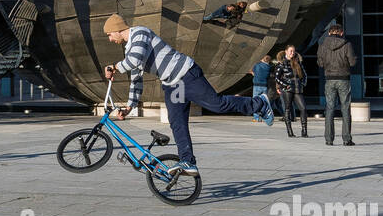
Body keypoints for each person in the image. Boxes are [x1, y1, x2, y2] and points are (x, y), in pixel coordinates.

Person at [102, 13, 272, 178]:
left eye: (109, 35)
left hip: (186, 75)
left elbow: (135, 60)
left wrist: (114, 67)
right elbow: (136, 80)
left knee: (217, 105)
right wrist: (129, 107)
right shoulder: (130, 48)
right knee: (177, 122)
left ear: (117, 29)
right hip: (173, 85)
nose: (110, 39)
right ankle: (187, 161)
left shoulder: (140, 33)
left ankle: (260, 104)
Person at [317, 22, 357, 146]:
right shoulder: (347, 44)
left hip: (329, 79)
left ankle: (329, 139)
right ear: (341, 33)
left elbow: (320, 63)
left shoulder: (322, 45)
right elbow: (352, 62)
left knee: (329, 108)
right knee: (345, 108)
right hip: (343, 79)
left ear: (329, 33)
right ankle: (346, 139)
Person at [274, 44, 308, 138]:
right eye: (290, 51)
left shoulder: (298, 62)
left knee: (303, 108)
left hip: (297, 88)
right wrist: (285, 85)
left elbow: (304, 74)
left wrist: (303, 83)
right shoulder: (281, 63)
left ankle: (304, 130)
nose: (292, 53)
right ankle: (290, 131)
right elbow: (277, 78)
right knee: (287, 109)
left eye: (293, 51)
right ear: (286, 51)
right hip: (287, 89)